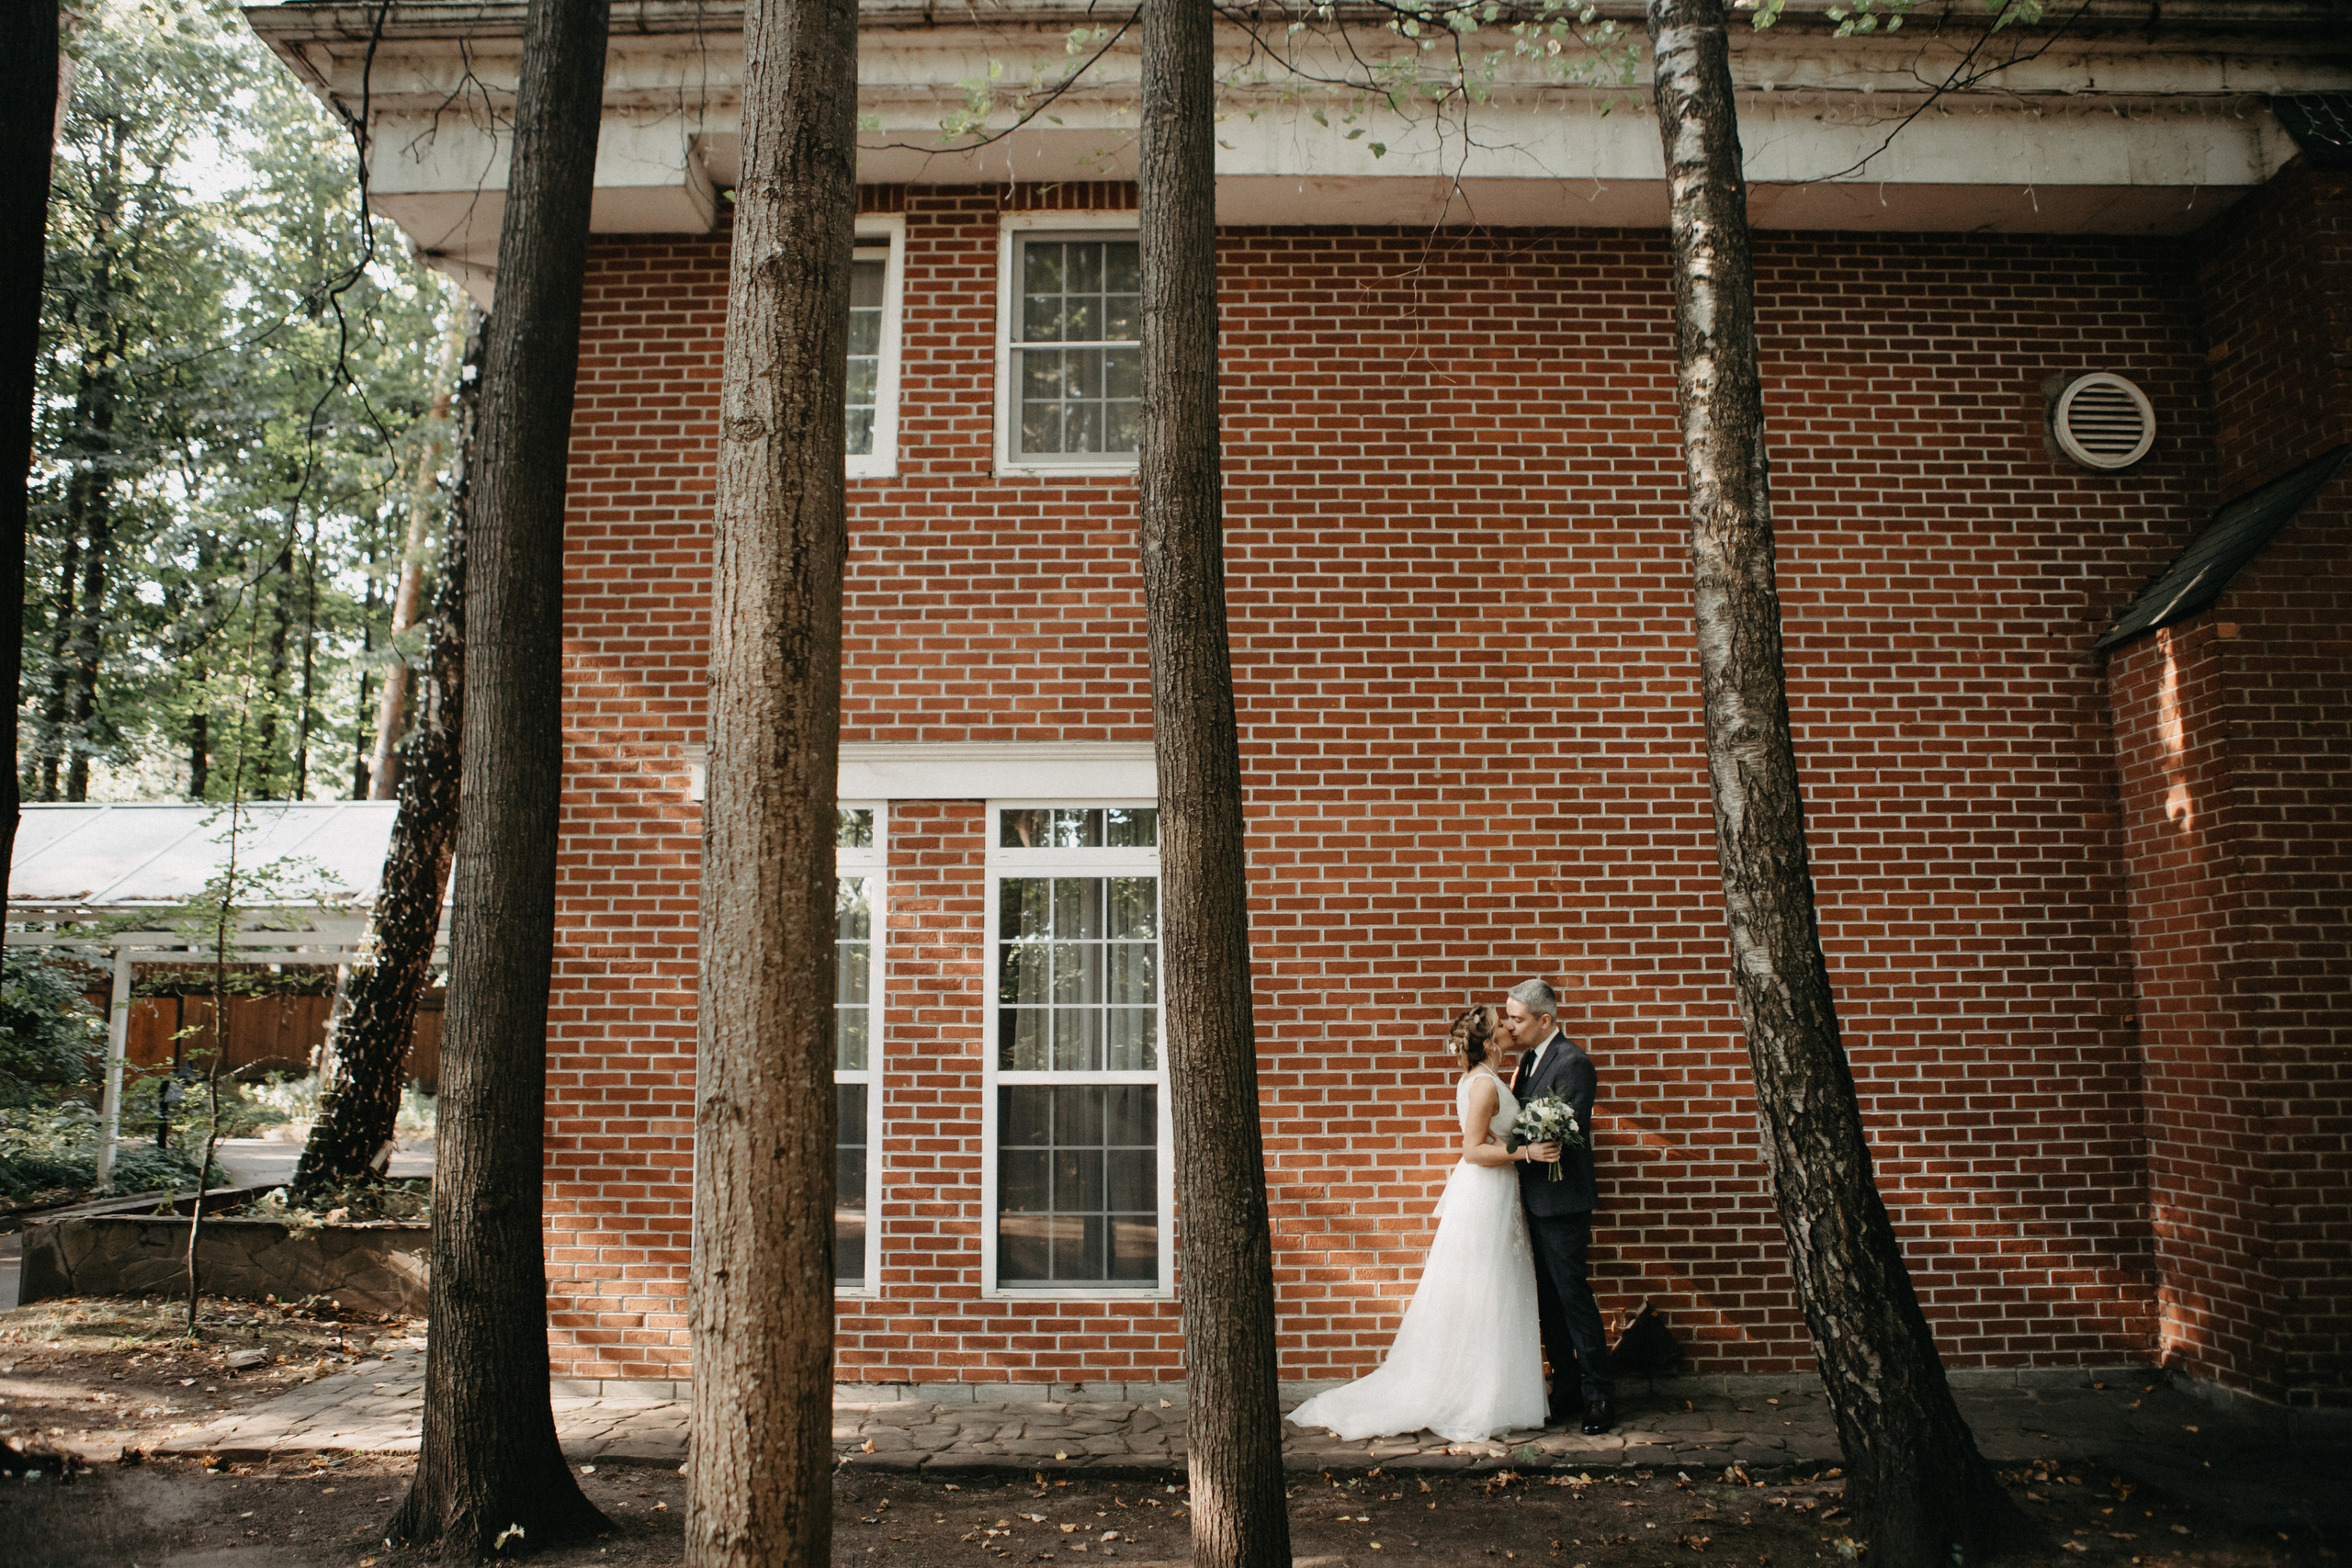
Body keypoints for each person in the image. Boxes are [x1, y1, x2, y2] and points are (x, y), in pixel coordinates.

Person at [1287, 1006, 1560, 1443]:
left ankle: (1492, 1393)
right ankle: (1472, 1397)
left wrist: (1510, 1141)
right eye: (1502, 1024)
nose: (1511, 1027)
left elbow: (1488, 1136)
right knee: (1483, 1287)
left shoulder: (1485, 1079)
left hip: (1496, 1190)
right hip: (1485, 1191)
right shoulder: (1483, 1085)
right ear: (1490, 1042)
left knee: (1495, 1286)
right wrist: (1526, 1152)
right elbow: (1472, 1151)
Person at [1501, 976, 1614, 1434]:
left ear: (1545, 1020)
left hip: (1562, 1201)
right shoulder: (1527, 1060)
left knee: (1572, 1297)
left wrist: (1512, 1142)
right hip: (1530, 1198)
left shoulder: (1574, 1062)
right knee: (1548, 1301)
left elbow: (1566, 1130)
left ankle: (1600, 1395)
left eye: (1517, 1019)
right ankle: (1565, 1386)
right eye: (1508, 1017)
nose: (1510, 1026)